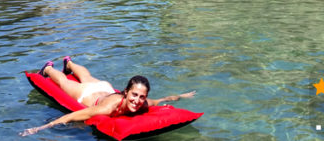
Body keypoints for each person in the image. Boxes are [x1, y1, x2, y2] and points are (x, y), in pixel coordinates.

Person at [20, 57, 195, 137]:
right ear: (126, 93)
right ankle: (48, 69)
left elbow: (159, 100)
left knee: (87, 76)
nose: (137, 100)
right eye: (134, 95)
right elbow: (73, 116)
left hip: (105, 87)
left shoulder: (142, 104)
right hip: (87, 94)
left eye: (142, 97)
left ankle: (69, 62)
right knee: (65, 83)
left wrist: (179, 96)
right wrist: (40, 128)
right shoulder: (107, 108)